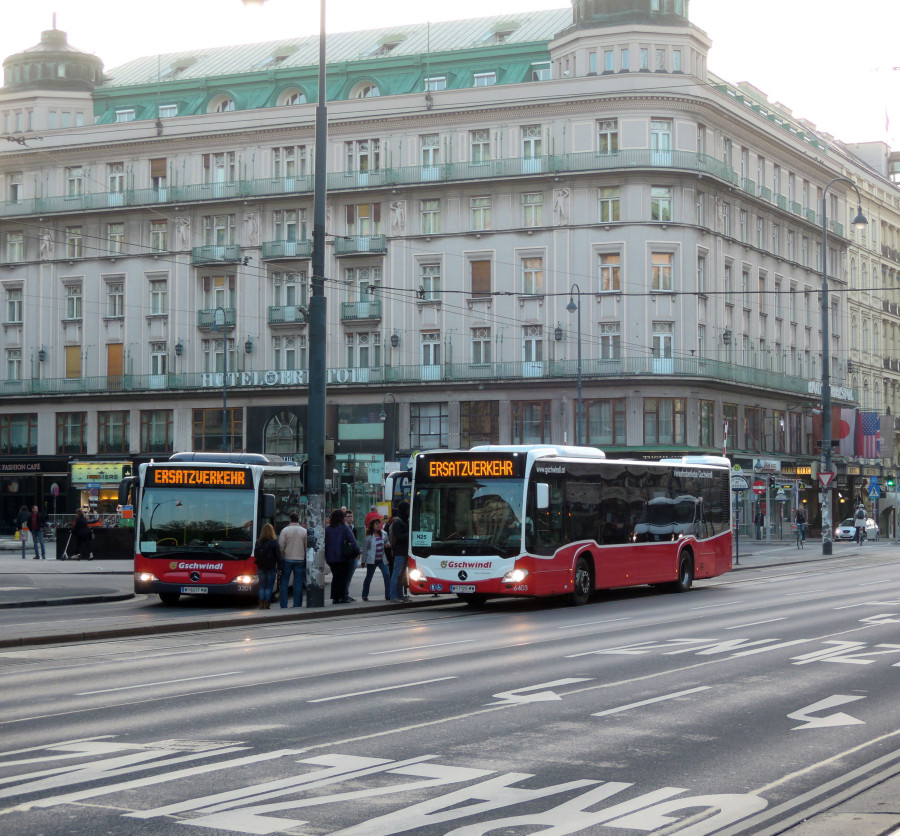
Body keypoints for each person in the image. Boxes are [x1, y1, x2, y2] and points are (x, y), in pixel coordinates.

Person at [324, 508, 359, 604]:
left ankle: (335, 597)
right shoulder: (344, 527)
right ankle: (342, 596)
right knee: (343, 577)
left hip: (330, 557)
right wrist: (357, 551)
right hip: (342, 556)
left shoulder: (327, 529)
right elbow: (352, 541)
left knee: (335, 576)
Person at [278, 513, 307, 608]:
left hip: (287, 559)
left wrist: (282, 557)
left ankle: (283, 604)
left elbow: (281, 546)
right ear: (298, 520)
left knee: (284, 582)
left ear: (290, 520)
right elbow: (307, 547)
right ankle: (297, 603)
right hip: (300, 559)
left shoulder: (285, 530)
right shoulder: (304, 531)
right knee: (298, 582)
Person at [361, 517, 391, 601]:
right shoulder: (369, 537)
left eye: (379, 524)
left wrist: (387, 545)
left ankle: (388, 594)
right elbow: (365, 549)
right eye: (376, 524)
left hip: (382, 558)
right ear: (372, 526)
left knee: (387, 575)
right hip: (372, 560)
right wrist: (363, 561)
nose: (378, 525)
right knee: (369, 577)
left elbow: (388, 542)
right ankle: (364, 595)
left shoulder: (384, 533)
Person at [253, 523, 281, 609]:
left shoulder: (258, 542)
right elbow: (278, 556)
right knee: (269, 587)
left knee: (262, 586)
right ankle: (267, 604)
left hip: (261, 567)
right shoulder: (274, 542)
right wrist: (279, 567)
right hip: (271, 567)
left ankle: (261, 604)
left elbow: (256, 554)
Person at [389, 500, 410, 602]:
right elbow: (398, 536)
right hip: (399, 551)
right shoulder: (398, 521)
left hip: (405, 551)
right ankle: (393, 595)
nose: (409, 511)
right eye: (407, 509)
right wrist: (410, 534)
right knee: (396, 573)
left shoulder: (405, 520)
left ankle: (400, 595)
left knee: (402, 574)